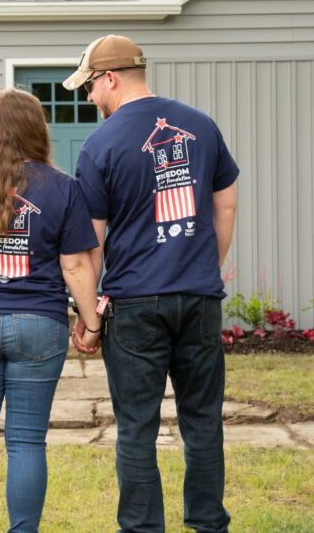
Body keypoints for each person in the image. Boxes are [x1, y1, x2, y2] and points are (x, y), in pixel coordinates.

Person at [66, 35, 239, 532]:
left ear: (111, 78)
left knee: (137, 428)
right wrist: (203, 267)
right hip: (200, 297)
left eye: (90, 87)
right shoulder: (203, 126)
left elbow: (91, 243)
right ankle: (209, 526)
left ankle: (142, 529)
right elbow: (224, 206)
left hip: (135, 303)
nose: (89, 98)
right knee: (202, 421)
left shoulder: (100, 145)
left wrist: (91, 316)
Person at [0, 89, 103, 533]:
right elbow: (74, 265)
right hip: (38, 324)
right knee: (27, 442)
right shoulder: (63, 187)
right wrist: (92, 322)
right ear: (37, 129)